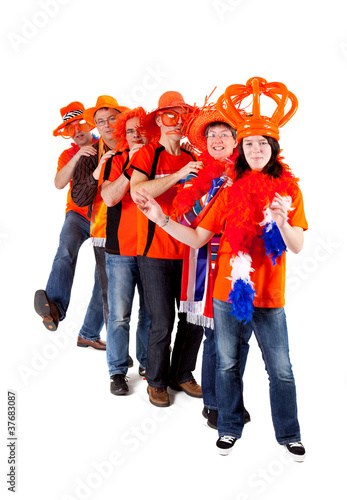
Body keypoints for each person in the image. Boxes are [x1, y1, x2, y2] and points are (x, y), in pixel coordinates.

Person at [134, 77, 308, 461]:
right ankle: (228, 427)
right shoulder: (228, 191)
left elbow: (297, 245)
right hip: (226, 292)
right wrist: (161, 217)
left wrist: (281, 221)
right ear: (242, 150)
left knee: (280, 369)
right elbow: (196, 237)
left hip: (270, 295)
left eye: (262, 143)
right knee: (227, 363)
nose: (256, 148)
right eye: (250, 143)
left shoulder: (289, 191)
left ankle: (289, 435)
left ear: (273, 148)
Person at [173, 105, 250, 429]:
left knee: (242, 338)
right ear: (205, 142)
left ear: (236, 141)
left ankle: (231, 398)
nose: (218, 140)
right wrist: (216, 191)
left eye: (224, 135)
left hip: (245, 265)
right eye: (212, 135)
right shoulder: (198, 174)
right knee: (216, 337)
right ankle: (214, 404)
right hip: (209, 263)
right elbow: (184, 219)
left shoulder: (251, 171)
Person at [129, 91, 204, 408]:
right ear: (159, 119)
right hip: (155, 254)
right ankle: (157, 382)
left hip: (191, 252)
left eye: (182, 115)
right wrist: (176, 177)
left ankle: (181, 373)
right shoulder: (147, 155)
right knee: (161, 321)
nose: (177, 122)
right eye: (170, 115)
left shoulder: (193, 158)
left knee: (194, 321)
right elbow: (137, 192)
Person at [34, 101, 106, 350]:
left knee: (104, 277)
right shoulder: (68, 154)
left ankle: (89, 333)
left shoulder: (105, 144)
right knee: (65, 251)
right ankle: (53, 309)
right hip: (77, 215)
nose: (76, 131)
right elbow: (58, 182)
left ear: (90, 123)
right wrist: (78, 155)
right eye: (70, 129)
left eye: (80, 125)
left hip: (103, 217)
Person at [99, 107, 151, 395]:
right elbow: (109, 197)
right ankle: (117, 371)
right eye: (130, 130)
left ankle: (146, 364)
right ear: (124, 134)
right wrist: (133, 165)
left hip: (152, 249)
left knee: (151, 313)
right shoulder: (115, 161)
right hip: (119, 250)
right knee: (119, 314)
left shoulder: (157, 158)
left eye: (141, 129)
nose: (136, 134)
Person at [71, 96, 129, 328]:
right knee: (112, 299)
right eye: (101, 121)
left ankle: (147, 360)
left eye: (112, 119)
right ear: (96, 125)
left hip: (140, 229)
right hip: (104, 233)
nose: (106, 125)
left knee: (147, 297)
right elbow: (79, 197)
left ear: (121, 120)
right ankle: (116, 358)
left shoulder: (136, 146)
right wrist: (97, 172)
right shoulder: (90, 153)